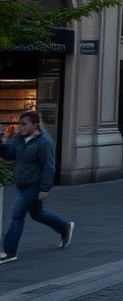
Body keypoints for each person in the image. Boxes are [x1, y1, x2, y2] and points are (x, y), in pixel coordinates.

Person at [1, 110, 74, 264]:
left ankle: (9, 251)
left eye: (24, 124)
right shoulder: (20, 139)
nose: (21, 127)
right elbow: (10, 155)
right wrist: (4, 141)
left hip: (33, 186)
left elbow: (49, 167)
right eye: (20, 124)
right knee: (37, 214)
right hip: (22, 184)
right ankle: (65, 227)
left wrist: (45, 188)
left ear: (35, 124)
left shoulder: (44, 142)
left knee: (17, 215)